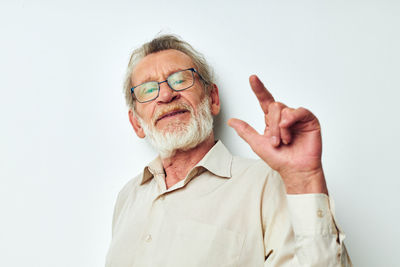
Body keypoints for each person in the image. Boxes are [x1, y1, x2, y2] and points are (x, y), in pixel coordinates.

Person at [105, 34, 352, 267]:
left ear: (212, 98)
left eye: (180, 79)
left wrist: (304, 181)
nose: (166, 95)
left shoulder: (265, 183)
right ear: (136, 122)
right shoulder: (127, 198)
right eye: (148, 90)